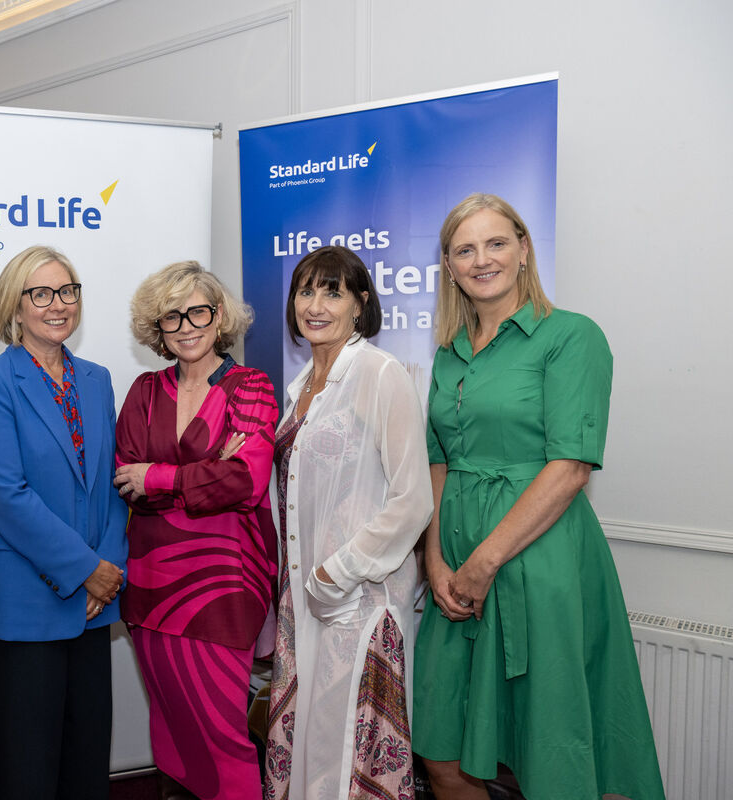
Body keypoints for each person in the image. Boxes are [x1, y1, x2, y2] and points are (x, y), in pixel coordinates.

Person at [412, 194, 665, 799]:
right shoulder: (450, 353)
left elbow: (572, 466)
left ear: (523, 249)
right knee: (440, 749)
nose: (482, 260)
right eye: (464, 249)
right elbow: (438, 460)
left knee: (551, 749)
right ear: (448, 266)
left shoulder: (571, 336)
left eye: (496, 243)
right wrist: (436, 560)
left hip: (540, 559)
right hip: (454, 569)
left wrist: (484, 562)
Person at [263, 246, 434, 800]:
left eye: (332, 292)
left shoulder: (381, 375)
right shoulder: (298, 388)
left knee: (347, 756)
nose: (315, 305)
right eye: (306, 291)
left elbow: (412, 499)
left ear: (361, 304)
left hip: (358, 596)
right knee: (312, 742)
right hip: (302, 597)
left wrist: (338, 572)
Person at [0, 245, 128, 800]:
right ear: (15, 306)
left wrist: (107, 570)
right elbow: (6, 494)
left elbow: (111, 482)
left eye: (67, 291)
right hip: (22, 607)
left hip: (90, 606)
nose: (57, 305)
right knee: (25, 774)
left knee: (85, 771)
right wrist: (87, 570)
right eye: (40, 294)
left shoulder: (98, 378)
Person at [114, 261, 278, 800]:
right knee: (172, 734)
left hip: (222, 589)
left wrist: (159, 477)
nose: (186, 326)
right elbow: (125, 478)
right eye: (171, 317)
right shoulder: (142, 390)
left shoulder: (252, 386)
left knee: (223, 736)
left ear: (220, 316)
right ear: (156, 328)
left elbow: (246, 481)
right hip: (151, 587)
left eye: (198, 311)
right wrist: (201, 477)